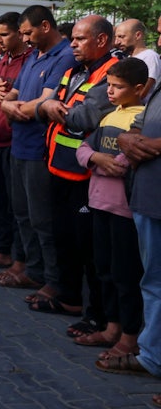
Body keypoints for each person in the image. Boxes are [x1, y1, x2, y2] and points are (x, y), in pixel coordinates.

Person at [32, 16, 119, 322]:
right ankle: (69, 298)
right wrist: (47, 108)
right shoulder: (74, 71)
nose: (73, 44)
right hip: (58, 167)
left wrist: (51, 109)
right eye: (73, 39)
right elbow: (48, 104)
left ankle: (94, 313)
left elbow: (84, 119)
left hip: (85, 176)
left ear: (102, 41)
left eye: (80, 39)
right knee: (64, 238)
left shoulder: (110, 74)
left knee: (89, 249)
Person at [0, 5, 76, 296]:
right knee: (21, 213)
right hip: (19, 145)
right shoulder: (35, 55)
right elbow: (15, 94)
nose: (25, 39)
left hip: (40, 150)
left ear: (45, 26)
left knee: (42, 219)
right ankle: (30, 268)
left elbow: (44, 104)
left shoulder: (64, 56)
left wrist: (13, 106)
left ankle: (51, 279)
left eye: (28, 32)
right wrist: (9, 104)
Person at [75, 58, 147, 360]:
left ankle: (129, 334)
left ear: (139, 89)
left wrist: (101, 162)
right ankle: (111, 326)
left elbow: (125, 161)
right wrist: (94, 158)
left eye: (118, 87)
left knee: (125, 273)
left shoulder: (142, 116)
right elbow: (83, 148)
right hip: (98, 203)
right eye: (109, 86)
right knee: (103, 269)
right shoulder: (108, 116)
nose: (111, 92)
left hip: (124, 210)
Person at [113, 14, 161, 407]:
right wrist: (130, 141)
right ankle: (152, 357)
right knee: (154, 283)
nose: (160, 36)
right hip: (149, 197)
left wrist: (155, 145)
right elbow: (139, 123)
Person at [0, 12, 33, 275]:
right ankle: (0, 252)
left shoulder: (30, 62)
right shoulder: (3, 61)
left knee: (17, 207)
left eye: (5, 34)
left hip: (15, 143)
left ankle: (20, 261)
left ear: (20, 34)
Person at [114, 18, 160, 95]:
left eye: (121, 37)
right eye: (116, 37)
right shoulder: (128, 58)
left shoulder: (150, 56)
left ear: (138, 35)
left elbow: (142, 92)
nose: (116, 42)